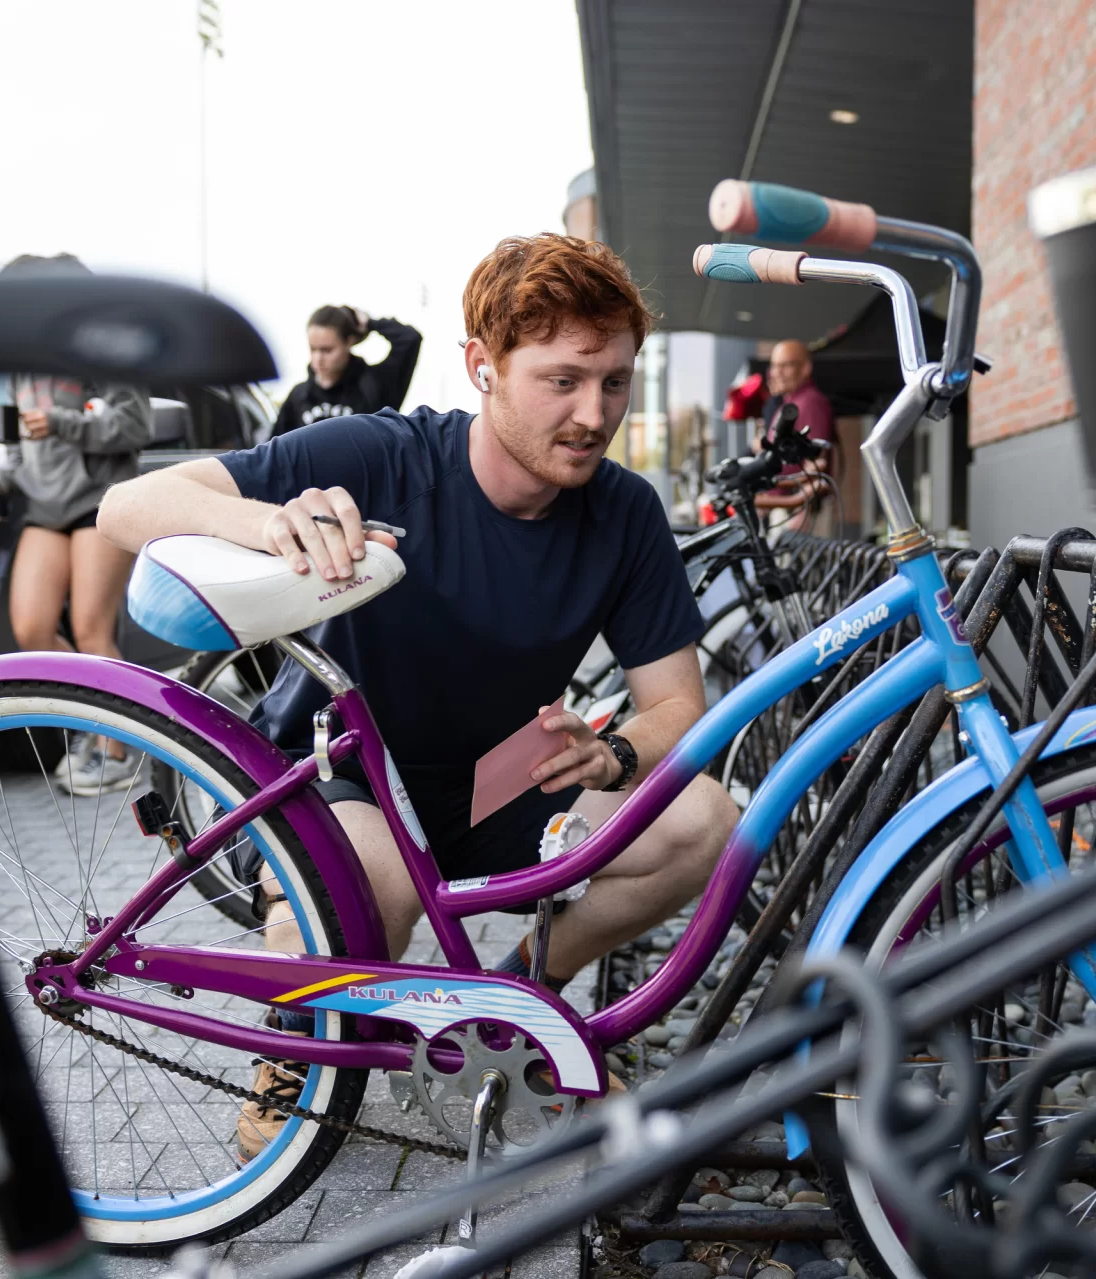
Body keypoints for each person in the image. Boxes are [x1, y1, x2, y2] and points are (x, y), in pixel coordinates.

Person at [99, 233, 737, 1158]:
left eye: (613, 382)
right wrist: (269, 520)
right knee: (377, 888)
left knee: (703, 820)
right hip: (341, 775)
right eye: (560, 380)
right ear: (481, 365)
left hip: (501, 779)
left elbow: (676, 702)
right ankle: (296, 1049)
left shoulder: (624, 510)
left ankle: (524, 997)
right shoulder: (384, 453)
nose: (592, 413)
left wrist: (618, 751)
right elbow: (127, 506)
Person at [0, 253, 153, 797]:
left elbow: (135, 424)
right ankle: (107, 725)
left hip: (100, 501)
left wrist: (63, 422)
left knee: (94, 630)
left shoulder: (105, 349)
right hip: (44, 506)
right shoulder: (21, 363)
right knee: (31, 631)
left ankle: (115, 751)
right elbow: (20, 447)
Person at [268, 305, 422, 436]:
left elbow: (410, 338)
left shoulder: (374, 385)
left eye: (327, 350)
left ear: (349, 342)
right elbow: (272, 454)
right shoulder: (298, 396)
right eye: (313, 349)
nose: (318, 358)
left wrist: (369, 323)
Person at [751, 339, 836, 528]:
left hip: (798, 512)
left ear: (806, 368)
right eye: (774, 366)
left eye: (785, 366)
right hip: (783, 508)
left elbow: (817, 463)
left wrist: (802, 511)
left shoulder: (811, 402)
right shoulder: (790, 402)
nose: (777, 373)